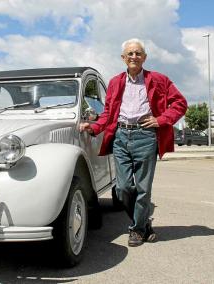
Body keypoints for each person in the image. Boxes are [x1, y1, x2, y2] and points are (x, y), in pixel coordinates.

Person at [80, 38, 187, 247]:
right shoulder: (115, 82)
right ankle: (145, 224)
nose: (134, 57)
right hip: (121, 136)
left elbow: (180, 103)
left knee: (143, 189)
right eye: (130, 54)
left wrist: (161, 120)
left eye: (138, 53)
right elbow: (109, 112)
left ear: (144, 57)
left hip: (146, 137)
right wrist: (93, 127)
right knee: (123, 188)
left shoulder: (159, 79)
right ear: (123, 58)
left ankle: (137, 230)